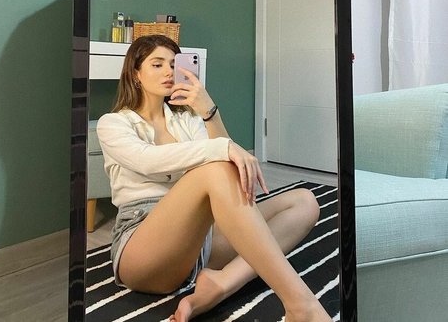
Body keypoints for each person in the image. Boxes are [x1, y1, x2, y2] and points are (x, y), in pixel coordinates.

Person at [97, 34, 332, 322]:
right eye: (157, 64)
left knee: (304, 202)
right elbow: (147, 160)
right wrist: (222, 149)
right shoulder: (113, 123)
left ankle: (222, 284)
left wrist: (209, 111)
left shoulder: (186, 120)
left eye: (174, 64)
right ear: (135, 74)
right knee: (212, 169)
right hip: (142, 248)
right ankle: (301, 306)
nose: (169, 71)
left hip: (197, 243)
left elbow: (224, 163)